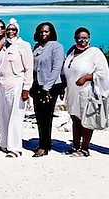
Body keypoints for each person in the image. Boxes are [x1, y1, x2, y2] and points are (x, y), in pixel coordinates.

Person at [62, 27, 109, 157]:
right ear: (75, 38)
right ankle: (75, 145)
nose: (82, 40)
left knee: (86, 119)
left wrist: (86, 78)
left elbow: (103, 73)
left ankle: (85, 148)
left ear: (89, 38)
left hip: (87, 91)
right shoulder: (72, 50)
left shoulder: (95, 53)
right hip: (72, 91)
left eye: (85, 38)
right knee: (75, 118)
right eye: (79, 37)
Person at [0, 18, 33, 158]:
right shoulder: (4, 46)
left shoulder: (23, 45)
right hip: (1, 84)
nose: (11, 32)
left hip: (17, 84)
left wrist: (26, 88)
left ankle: (15, 148)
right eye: (9, 29)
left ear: (18, 31)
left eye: (13, 29)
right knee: (3, 116)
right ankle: (4, 144)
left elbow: (29, 68)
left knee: (15, 117)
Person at [30, 22, 64, 157]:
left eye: (46, 31)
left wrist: (46, 88)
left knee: (45, 116)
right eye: (41, 32)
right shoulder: (37, 47)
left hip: (50, 87)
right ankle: (44, 141)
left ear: (51, 33)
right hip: (38, 86)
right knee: (39, 116)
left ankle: (44, 146)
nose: (43, 34)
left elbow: (56, 68)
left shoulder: (56, 46)